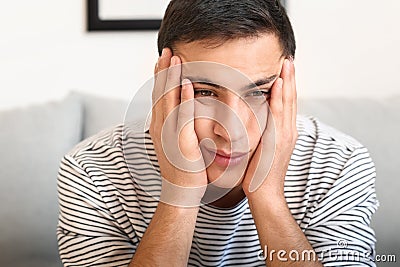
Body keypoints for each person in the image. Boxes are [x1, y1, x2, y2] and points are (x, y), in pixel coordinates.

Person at [57, 0, 379, 266]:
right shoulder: (91, 172)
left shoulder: (340, 163)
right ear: (164, 82)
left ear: (287, 81)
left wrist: (268, 198)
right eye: (205, 93)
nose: (232, 132)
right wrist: (180, 194)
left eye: (259, 93)